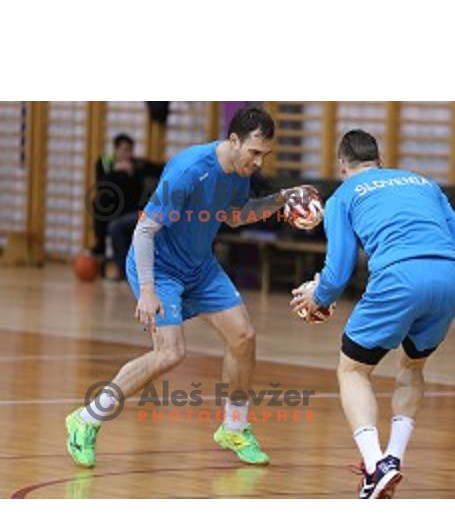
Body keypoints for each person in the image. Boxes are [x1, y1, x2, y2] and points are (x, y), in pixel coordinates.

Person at [67, 107, 313, 468]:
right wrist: (148, 290)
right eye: (254, 153)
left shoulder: (239, 170)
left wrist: (280, 200)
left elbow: (234, 216)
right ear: (233, 141)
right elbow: (144, 230)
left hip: (199, 266)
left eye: (265, 155)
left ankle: (234, 428)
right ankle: (86, 419)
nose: (259, 162)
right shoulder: (189, 169)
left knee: (243, 337)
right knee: (170, 353)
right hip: (160, 267)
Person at [291, 130, 455, 499]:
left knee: (353, 369)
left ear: (342, 165)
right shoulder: (424, 184)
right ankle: (393, 458)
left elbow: (338, 272)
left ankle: (376, 465)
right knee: (413, 366)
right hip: (450, 280)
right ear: (380, 161)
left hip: (400, 278)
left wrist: (317, 296)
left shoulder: (343, 196)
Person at [91, 133, 163, 280]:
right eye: (124, 150)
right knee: (99, 204)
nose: (128, 154)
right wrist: (115, 173)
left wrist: (131, 174)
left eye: (130, 150)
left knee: (115, 226)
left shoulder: (138, 166)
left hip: (136, 211)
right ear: (116, 150)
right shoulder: (105, 164)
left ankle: (124, 272)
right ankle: (101, 247)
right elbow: (102, 188)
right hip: (115, 210)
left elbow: (159, 170)